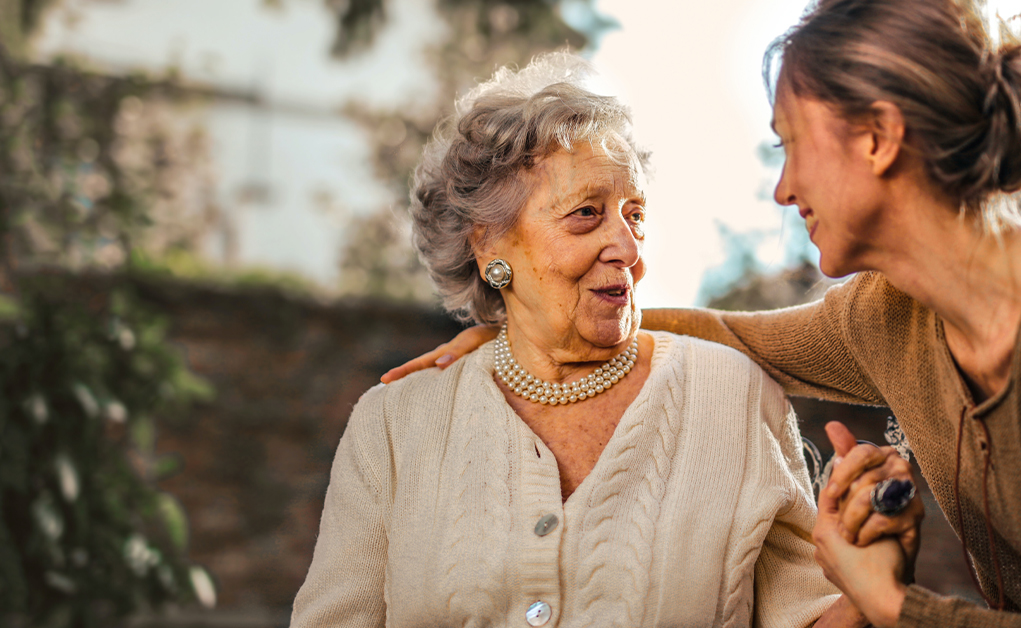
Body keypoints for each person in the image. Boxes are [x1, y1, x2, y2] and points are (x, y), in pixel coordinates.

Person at [381, 1, 1021, 626]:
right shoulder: (893, 315)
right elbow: (731, 335)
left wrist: (895, 607)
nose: (784, 189)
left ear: (877, 138)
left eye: (790, 145)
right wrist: (523, 318)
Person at [291, 52, 884, 627]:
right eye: (586, 214)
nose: (628, 249)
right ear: (489, 244)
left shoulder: (734, 396)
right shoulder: (394, 425)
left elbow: (804, 617)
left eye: (635, 215)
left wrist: (866, 591)